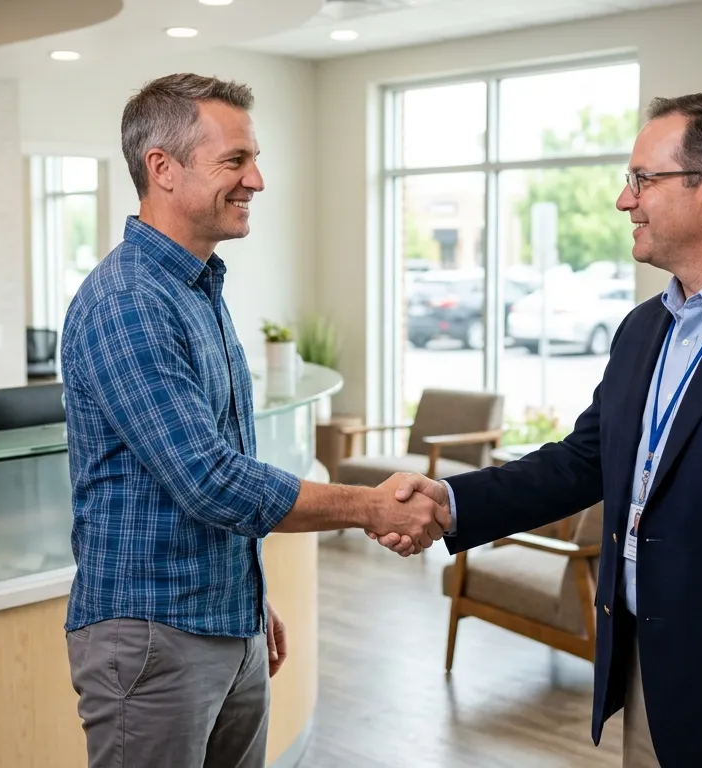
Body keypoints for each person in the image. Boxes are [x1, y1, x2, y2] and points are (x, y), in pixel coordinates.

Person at [381, 92, 702, 767]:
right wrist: (451, 502)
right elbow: (585, 460)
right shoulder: (643, 329)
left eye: (641, 179)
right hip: (648, 677)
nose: (624, 201)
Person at [59, 73, 448, 768]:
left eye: (253, 159)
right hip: (153, 637)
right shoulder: (129, 302)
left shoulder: (197, 287)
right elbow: (209, 480)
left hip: (221, 622)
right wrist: (366, 505)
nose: (257, 180)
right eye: (235, 161)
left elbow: (206, 472)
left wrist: (249, 602)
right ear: (162, 169)